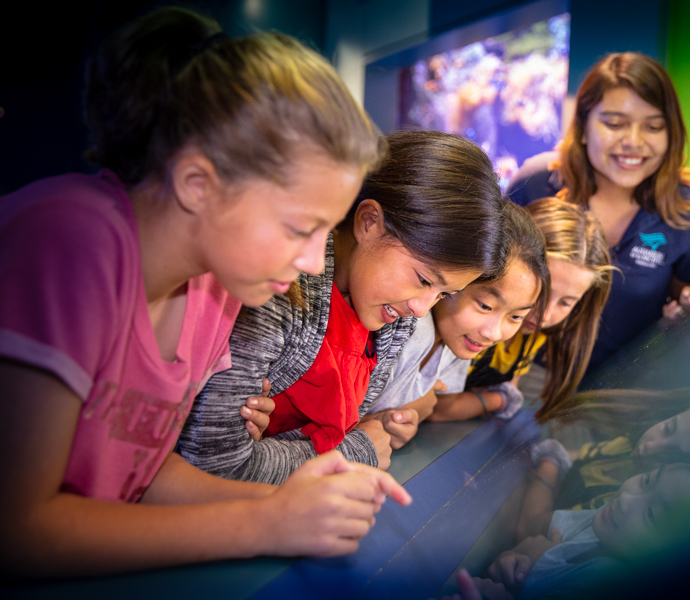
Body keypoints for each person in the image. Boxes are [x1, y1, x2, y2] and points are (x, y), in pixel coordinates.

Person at [0, 8, 416, 577]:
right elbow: (17, 528)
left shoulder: (214, 291)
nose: (308, 260)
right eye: (299, 228)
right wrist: (262, 524)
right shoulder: (72, 240)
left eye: (325, 232)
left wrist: (294, 503)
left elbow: (140, 473)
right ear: (198, 183)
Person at [178, 130, 507, 479]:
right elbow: (217, 463)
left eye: (443, 294)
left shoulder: (393, 322)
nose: (423, 308)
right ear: (369, 222)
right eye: (424, 280)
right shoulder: (279, 289)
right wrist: (356, 452)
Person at [506, 52, 690, 373]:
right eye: (615, 123)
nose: (633, 141)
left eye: (653, 126)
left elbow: (682, 305)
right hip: (523, 372)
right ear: (583, 126)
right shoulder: (535, 182)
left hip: (631, 380)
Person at [363, 201, 549, 447]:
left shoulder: (457, 342)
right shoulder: (406, 328)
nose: (493, 333)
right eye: (484, 305)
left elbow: (431, 408)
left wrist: (410, 415)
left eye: (516, 317)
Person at [429, 197, 614, 422]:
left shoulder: (531, 332)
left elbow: (507, 384)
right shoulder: (468, 323)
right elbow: (437, 408)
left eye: (566, 302)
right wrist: (500, 400)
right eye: (542, 294)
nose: (545, 316)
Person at [516, 387, 690, 541]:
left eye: (674, 455)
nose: (652, 445)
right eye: (669, 428)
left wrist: (549, 463)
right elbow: (574, 455)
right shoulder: (629, 447)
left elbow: (529, 528)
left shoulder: (619, 508)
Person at [440, 461, 690, 600]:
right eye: (647, 480)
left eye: (652, 514)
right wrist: (518, 564)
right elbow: (530, 544)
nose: (628, 499)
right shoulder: (603, 524)